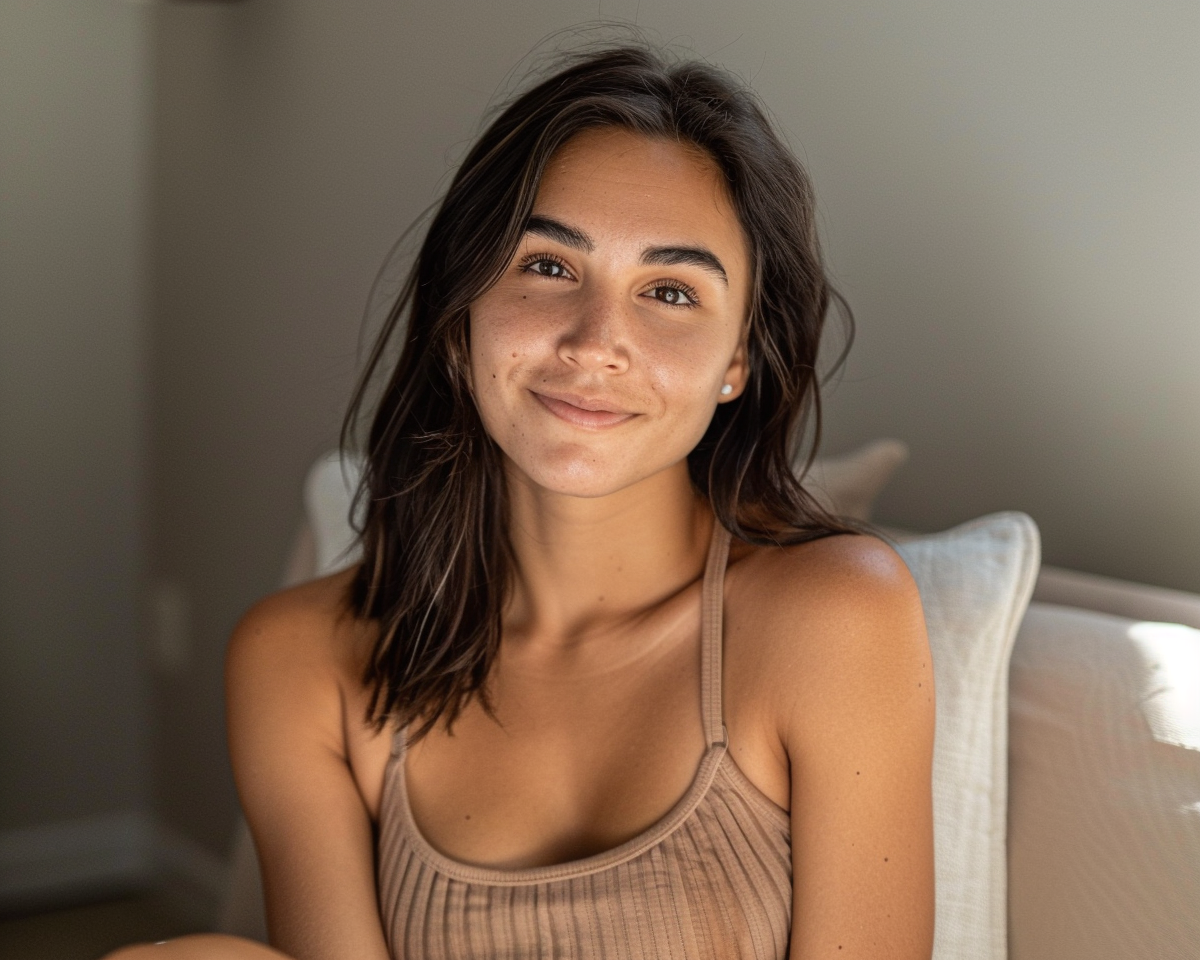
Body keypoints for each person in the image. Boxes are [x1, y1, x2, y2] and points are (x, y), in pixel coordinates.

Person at [109, 40, 934, 960]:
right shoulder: (299, 663)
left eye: (669, 290)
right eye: (546, 267)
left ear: (737, 359)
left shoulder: (837, 617)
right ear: (459, 319)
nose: (595, 341)